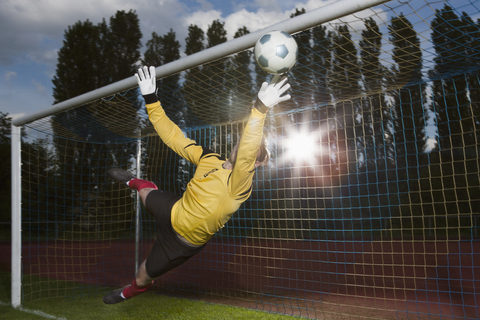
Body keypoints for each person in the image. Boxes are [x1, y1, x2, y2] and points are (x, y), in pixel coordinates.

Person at [103, 66, 291, 304]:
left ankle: (125, 293)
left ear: (256, 164)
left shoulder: (240, 184)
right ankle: (136, 181)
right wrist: (151, 98)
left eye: (256, 152)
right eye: (246, 142)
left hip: (180, 243)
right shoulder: (209, 158)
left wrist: (260, 109)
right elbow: (174, 138)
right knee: (144, 191)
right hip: (174, 209)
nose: (247, 147)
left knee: (141, 277)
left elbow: (248, 148)